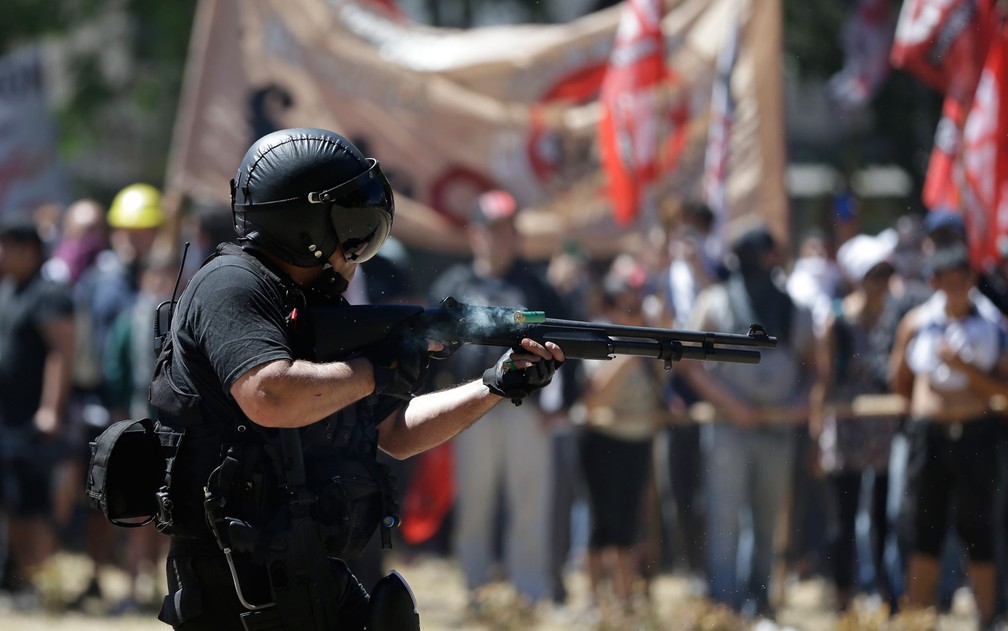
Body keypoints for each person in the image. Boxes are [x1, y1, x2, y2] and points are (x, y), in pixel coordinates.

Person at [149, 128, 564, 631]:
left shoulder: (311, 306)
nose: (359, 244)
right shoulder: (231, 285)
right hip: (234, 582)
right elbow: (269, 393)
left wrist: (494, 385)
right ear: (307, 222)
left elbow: (398, 433)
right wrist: (372, 371)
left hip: (303, 564)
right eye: (352, 224)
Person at [427, 188, 573, 613]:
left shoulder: (535, 286)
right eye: (493, 230)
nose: (500, 238)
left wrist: (562, 403)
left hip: (525, 409)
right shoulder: (454, 285)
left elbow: (570, 348)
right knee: (474, 501)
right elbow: (429, 349)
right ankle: (476, 591)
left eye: (508, 230)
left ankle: (529, 593)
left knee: (530, 502)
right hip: (468, 406)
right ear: (476, 234)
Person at [677, 224, 816, 619]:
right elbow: (687, 362)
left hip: (778, 425)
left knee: (769, 518)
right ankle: (724, 605)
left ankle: (762, 602)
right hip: (728, 425)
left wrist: (803, 400)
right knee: (725, 516)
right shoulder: (715, 301)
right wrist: (732, 404)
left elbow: (813, 367)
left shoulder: (794, 306)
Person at [888, 242, 1007, 628]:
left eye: (963, 279)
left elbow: (1003, 390)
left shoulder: (993, 325)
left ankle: (986, 618)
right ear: (934, 282)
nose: (956, 287)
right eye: (948, 280)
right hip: (930, 436)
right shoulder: (916, 323)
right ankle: (918, 619)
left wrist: (964, 368)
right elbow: (899, 380)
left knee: (979, 527)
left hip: (976, 434)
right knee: (923, 529)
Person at [809, 230, 900, 610]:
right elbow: (824, 379)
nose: (881, 282)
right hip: (844, 428)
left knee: (882, 516)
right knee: (842, 520)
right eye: (874, 274)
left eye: (885, 274)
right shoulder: (838, 319)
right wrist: (816, 434)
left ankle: (881, 590)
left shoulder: (897, 318)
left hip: (883, 428)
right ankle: (843, 596)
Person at [573, 255, 663, 617]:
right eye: (623, 305)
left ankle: (626, 601)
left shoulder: (649, 339)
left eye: (635, 304)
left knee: (627, 523)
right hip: (602, 441)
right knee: (601, 523)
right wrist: (628, 352)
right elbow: (594, 398)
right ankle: (596, 601)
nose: (631, 311)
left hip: (637, 440)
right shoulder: (599, 340)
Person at [0, 216, 75, 604]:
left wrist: (50, 410)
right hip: (7, 419)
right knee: (13, 501)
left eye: (7, 246)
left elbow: (61, 352)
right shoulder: (10, 289)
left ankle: (42, 585)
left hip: (32, 420)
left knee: (34, 504)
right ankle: (21, 580)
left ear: (29, 250)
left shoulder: (48, 293)